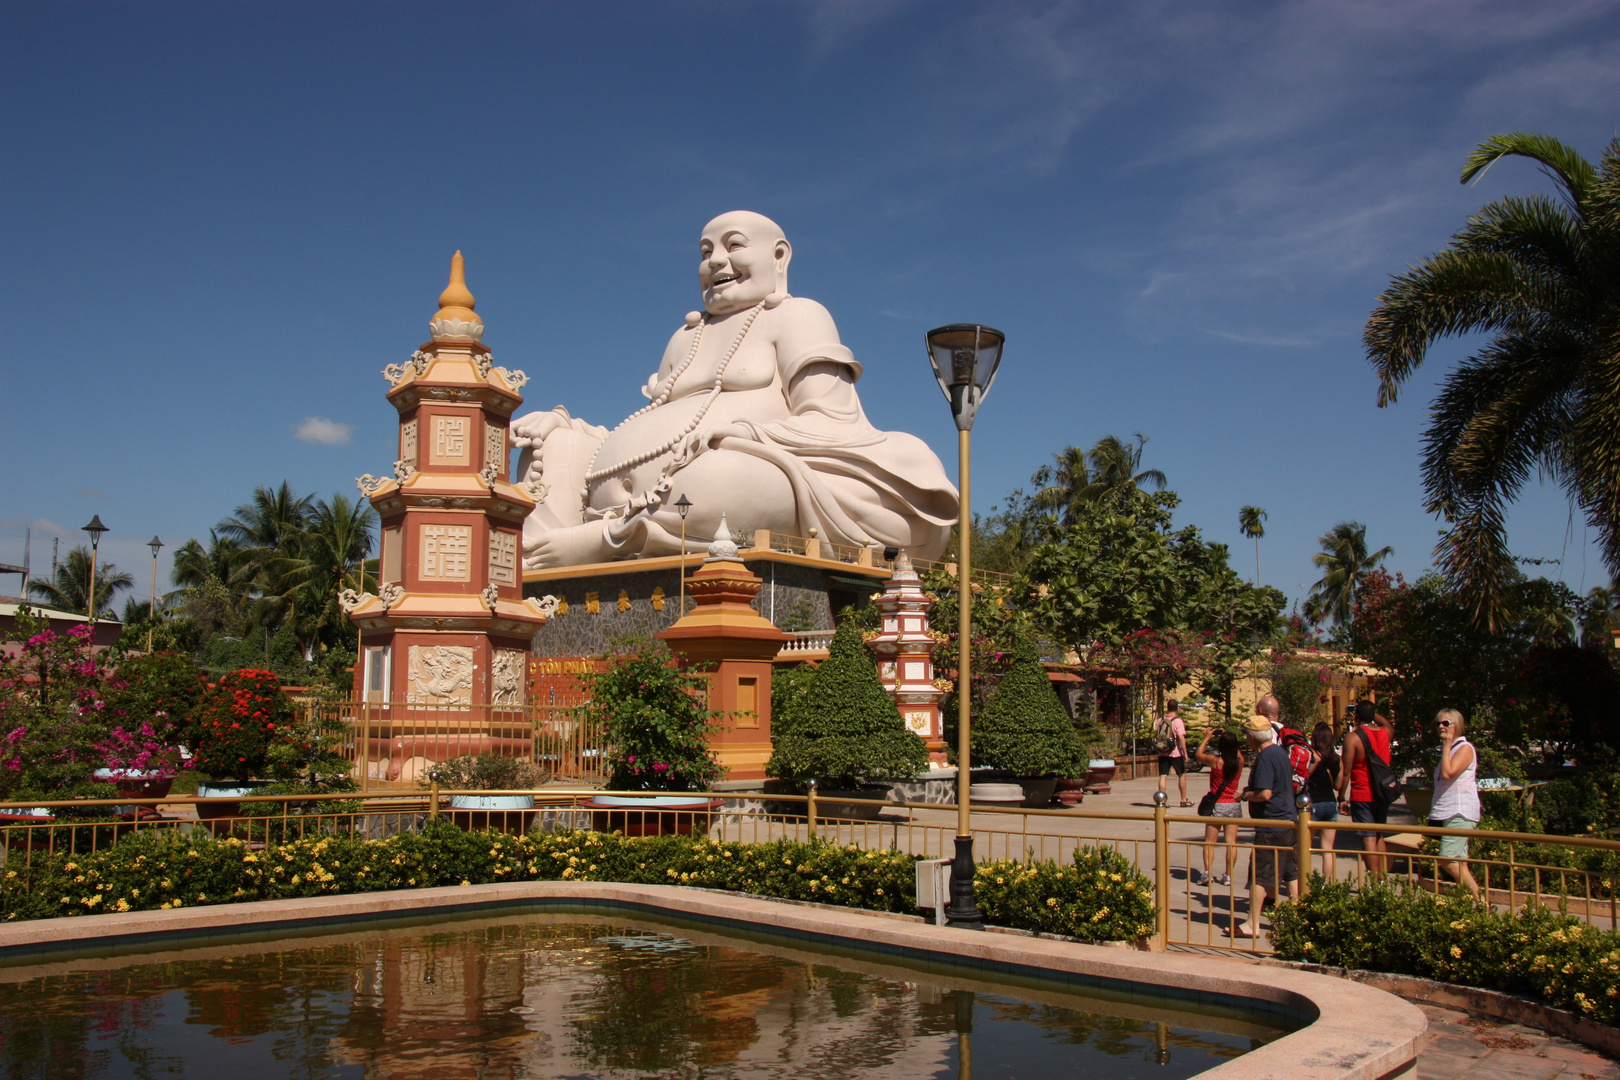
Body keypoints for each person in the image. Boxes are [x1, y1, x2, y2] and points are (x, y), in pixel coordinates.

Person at [510, 211, 960, 568]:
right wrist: (572, 429)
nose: (715, 262)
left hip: (735, 469)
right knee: (552, 447)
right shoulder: (684, 338)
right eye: (705, 252)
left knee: (715, 482)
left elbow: (833, 421)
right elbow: (648, 426)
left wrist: (745, 434)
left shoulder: (797, 314)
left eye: (734, 245)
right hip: (654, 487)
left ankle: (610, 540)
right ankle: (539, 561)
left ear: (779, 257)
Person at [1230, 715, 1298, 938]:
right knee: (1290, 872)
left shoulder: (1266, 758)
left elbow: (1264, 793)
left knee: (1261, 874)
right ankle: (1297, 917)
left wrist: (1244, 795)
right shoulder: (1280, 752)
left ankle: (1252, 923)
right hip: (1289, 821)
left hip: (1271, 824)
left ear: (1251, 736)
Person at [1338, 700, 1395, 876]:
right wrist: (1369, 713)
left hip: (1363, 793)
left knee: (1368, 837)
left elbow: (1346, 772)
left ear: (1355, 716)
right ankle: (1382, 879)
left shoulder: (1353, 737)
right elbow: (1386, 723)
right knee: (1379, 835)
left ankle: (1374, 882)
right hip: (1383, 792)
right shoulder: (1385, 733)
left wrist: (1341, 797)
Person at [1430, 708, 1481, 899]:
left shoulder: (1465, 748)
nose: (1441, 727)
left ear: (1457, 725)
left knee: (1447, 859)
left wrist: (1446, 746)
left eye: (1445, 723)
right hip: (1448, 812)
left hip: (1460, 811)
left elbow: (1448, 773)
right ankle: (1473, 904)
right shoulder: (1452, 749)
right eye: (1438, 724)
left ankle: (1481, 901)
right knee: (1459, 861)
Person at [1193, 728, 1243, 887]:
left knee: (1209, 842)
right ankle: (1228, 875)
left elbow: (1198, 755)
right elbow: (1239, 754)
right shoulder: (1239, 762)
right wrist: (1231, 742)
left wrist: (1207, 738)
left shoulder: (1216, 761)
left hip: (1217, 805)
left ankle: (1207, 873)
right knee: (1231, 843)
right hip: (1233, 805)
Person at [1307, 722, 1342, 879]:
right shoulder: (1336, 759)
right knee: (1328, 848)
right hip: (1330, 802)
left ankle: (1305, 883)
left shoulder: (1312, 756)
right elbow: (1338, 785)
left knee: (1305, 846)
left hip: (1313, 803)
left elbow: (1304, 777)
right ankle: (1327, 885)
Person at [1154, 699, 1190, 807]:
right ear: (1177, 708)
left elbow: (1157, 734)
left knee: (1163, 775)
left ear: (1167, 707)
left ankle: (1162, 800)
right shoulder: (1177, 721)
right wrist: (1185, 753)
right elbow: (1181, 737)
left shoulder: (1161, 720)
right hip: (1175, 752)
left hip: (1162, 751)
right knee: (1181, 774)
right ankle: (1183, 800)